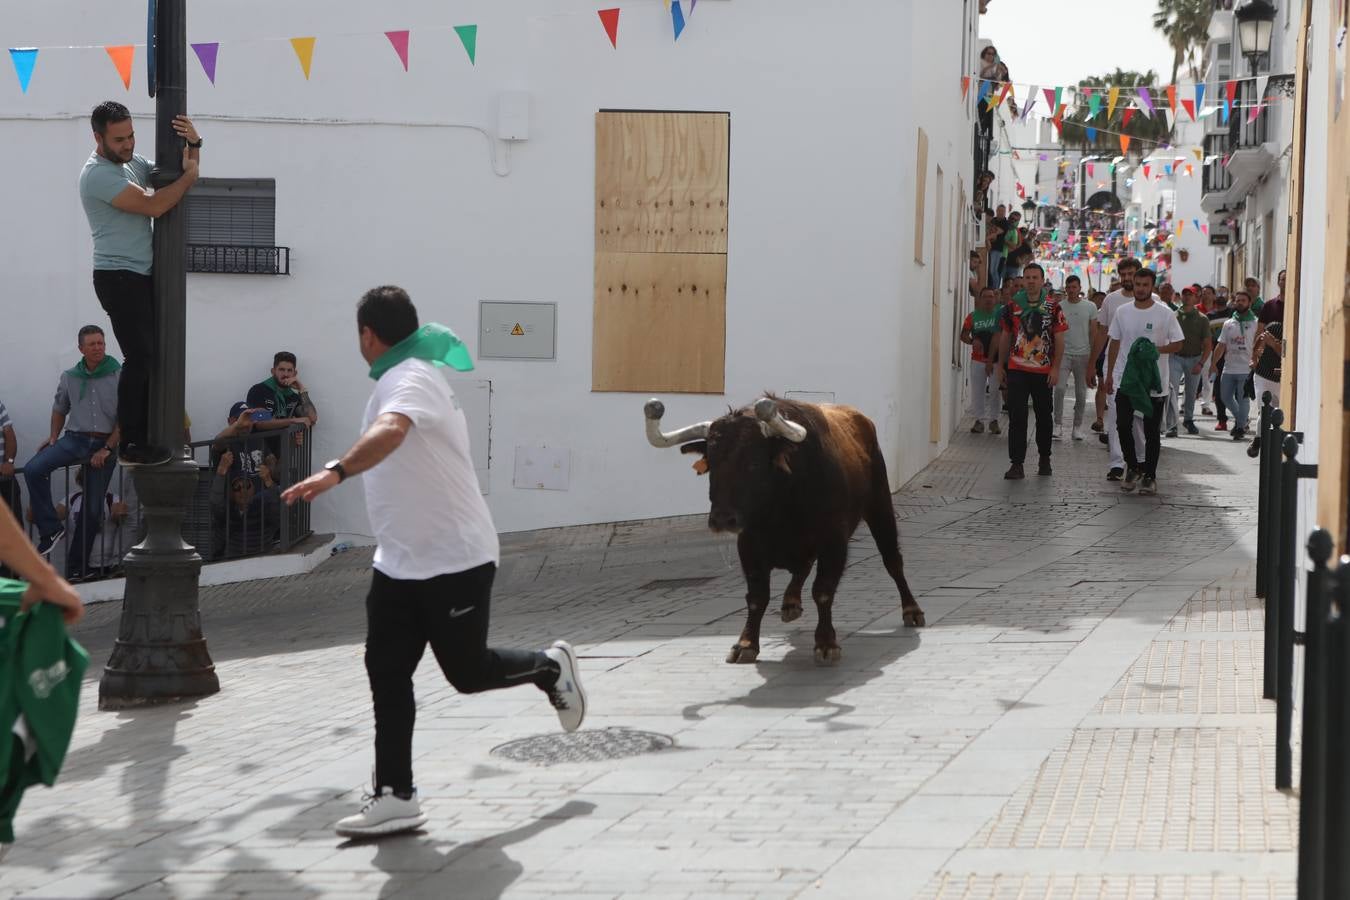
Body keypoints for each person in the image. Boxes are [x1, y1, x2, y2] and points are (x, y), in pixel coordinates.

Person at [281, 285, 587, 839]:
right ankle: (396, 795)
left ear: (368, 336)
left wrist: (336, 471)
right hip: (398, 562)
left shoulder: (411, 378)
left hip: (455, 559)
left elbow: (392, 430)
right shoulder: (404, 373)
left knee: (467, 675)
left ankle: (549, 666)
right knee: (387, 672)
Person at [79, 101, 201, 467]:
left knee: (153, 356)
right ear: (98, 138)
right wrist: (189, 177)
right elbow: (157, 204)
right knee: (140, 357)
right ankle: (131, 443)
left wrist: (195, 143)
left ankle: (148, 433)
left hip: (140, 275)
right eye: (119, 139)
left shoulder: (131, 162)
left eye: (131, 135)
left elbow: (176, 172)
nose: (129, 144)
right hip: (117, 277)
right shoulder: (98, 175)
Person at [24, 327, 121, 558]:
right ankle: (50, 529)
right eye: (92, 344)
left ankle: (78, 568)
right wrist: (54, 436)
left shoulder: (119, 374)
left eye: (101, 343)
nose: (98, 347)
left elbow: (126, 418)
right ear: (81, 349)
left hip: (104, 443)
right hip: (75, 438)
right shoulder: (70, 376)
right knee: (33, 469)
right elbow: (59, 408)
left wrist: (107, 448)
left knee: (93, 510)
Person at [1103, 269, 1184, 496]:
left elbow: (1178, 343)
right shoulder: (1122, 311)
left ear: (1152, 287)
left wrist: (1155, 351)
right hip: (1127, 380)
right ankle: (1133, 467)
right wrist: (1110, 375)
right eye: (1137, 284)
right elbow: (1115, 343)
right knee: (1122, 425)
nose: (1140, 288)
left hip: (1154, 382)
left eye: (1144, 284)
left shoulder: (1165, 313)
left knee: (1151, 432)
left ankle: (1150, 476)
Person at [996, 263, 1066, 480]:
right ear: (1023, 280)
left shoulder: (1053, 307)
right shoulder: (1012, 306)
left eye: (1035, 277)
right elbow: (1005, 336)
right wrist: (1001, 365)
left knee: (1044, 416)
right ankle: (1016, 463)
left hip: (1043, 371)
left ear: (1042, 280)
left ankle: (1045, 458)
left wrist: (1055, 368)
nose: (1031, 281)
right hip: (1017, 369)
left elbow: (1059, 338)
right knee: (1018, 416)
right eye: (1027, 277)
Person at [1088, 259, 1156, 480]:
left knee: (1138, 418)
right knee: (1117, 415)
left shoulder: (1155, 302)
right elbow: (1102, 333)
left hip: (1142, 370)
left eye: (1131, 274)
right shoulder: (1111, 300)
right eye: (1123, 274)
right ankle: (1117, 463)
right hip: (1115, 366)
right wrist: (1093, 363)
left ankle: (1139, 460)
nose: (1127, 278)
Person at [211, 452, 281, 558]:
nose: (242, 491)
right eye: (237, 488)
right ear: (231, 494)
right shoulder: (229, 512)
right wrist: (220, 473)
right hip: (232, 563)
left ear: (253, 488)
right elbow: (215, 505)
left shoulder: (262, 506)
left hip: (263, 561)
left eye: (246, 485)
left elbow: (279, 507)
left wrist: (268, 481)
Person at [1165, 286, 1212, 437]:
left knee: (1191, 392)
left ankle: (1189, 420)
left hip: (1194, 358)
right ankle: (1172, 424)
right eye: (1184, 294)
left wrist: (1201, 363)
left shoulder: (1202, 319)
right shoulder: (1172, 316)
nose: (1186, 297)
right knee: (1172, 390)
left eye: (1190, 295)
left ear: (1195, 298)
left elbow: (1207, 344)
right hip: (1175, 357)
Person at [1212, 291, 1260, 440]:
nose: (1239, 303)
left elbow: (1259, 346)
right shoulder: (1228, 323)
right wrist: (1213, 363)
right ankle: (1243, 420)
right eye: (1237, 300)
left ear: (1249, 303)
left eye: (1243, 300)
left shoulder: (1256, 322)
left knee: (1243, 398)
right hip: (1229, 367)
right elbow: (1221, 345)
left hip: (1246, 368)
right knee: (1225, 397)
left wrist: (1256, 362)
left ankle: (1239, 427)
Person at [1052, 275, 1094, 441]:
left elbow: (1094, 331)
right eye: (1068, 287)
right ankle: (1058, 424)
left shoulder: (1090, 307)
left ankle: (1077, 427)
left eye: (1074, 287)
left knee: (1081, 393)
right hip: (1063, 354)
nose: (1071, 290)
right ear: (1065, 288)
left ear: (1079, 288)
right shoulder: (1059, 306)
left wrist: (1092, 356)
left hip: (1083, 354)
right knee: (1060, 389)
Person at [961, 287, 1002, 434]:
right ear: (980, 299)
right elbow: (963, 335)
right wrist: (972, 341)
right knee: (977, 390)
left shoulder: (1000, 315)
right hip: (977, 360)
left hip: (996, 360)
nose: (989, 299)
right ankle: (979, 420)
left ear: (995, 298)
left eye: (991, 296)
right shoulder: (972, 316)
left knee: (995, 390)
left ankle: (994, 420)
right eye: (985, 297)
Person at [1205, 287, 1233, 430]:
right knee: (1218, 390)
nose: (1222, 295)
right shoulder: (1209, 316)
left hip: (1233, 356)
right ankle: (1222, 419)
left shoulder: (1233, 313)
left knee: (1237, 390)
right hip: (1217, 356)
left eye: (1224, 292)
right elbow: (1207, 338)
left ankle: (1242, 418)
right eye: (1219, 292)